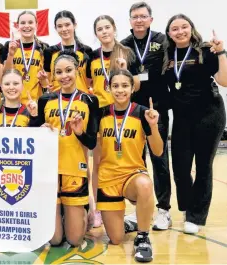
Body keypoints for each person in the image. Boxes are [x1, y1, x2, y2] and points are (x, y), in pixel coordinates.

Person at [163, 14, 227, 234]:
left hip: (209, 114)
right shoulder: (167, 55)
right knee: (180, 168)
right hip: (181, 118)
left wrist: (221, 52)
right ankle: (189, 207)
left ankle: (196, 217)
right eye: (174, 29)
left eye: (184, 27)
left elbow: (224, 80)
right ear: (169, 33)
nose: (180, 31)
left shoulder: (205, 49)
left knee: (203, 167)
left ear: (191, 28)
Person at [31, 51, 99, 247]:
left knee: (75, 240)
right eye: (59, 72)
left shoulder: (89, 101)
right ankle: (61, 213)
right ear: (54, 75)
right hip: (49, 170)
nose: (64, 76)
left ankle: (83, 209)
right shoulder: (46, 99)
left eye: (68, 70)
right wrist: (40, 128)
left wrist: (79, 132)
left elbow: (92, 143)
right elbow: (33, 135)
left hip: (74, 169)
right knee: (54, 240)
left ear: (77, 71)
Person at [97, 68, 162, 263]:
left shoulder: (142, 113)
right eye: (115, 86)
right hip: (107, 178)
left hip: (132, 175)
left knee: (145, 185)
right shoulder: (100, 114)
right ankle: (130, 221)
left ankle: (142, 237)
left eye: (125, 85)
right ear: (109, 88)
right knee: (116, 239)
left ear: (132, 88)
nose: (120, 90)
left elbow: (158, 151)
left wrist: (153, 126)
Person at [120, 1, 172, 231]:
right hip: (133, 112)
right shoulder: (124, 45)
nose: (139, 20)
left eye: (143, 16)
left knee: (159, 158)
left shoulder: (163, 41)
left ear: (150, 19)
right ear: (130, 21)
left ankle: (164, 210)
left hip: (156, 109)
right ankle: (139, 208)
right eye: (135, 17)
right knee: (136, 161)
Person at [86, 15, 139, 228]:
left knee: (127, 161)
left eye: (107, 27)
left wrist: (125, 68)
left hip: (124, 114)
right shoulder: (92, 56)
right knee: (99, 162)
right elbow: (89, 82)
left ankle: (134, 207)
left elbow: (137, 84)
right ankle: (99, 207)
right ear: (96, 33)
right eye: (100, 29)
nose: (104, 32)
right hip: (101, 114)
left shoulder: (127, 52)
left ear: (114, 28)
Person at [2, 11, 48, 104]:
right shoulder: (9, 45)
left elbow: (46, 85)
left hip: (35, 102)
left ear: (36, 25)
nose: (27, 26)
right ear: (17, 26)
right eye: (22, 23)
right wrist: (11, 55)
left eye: (30, 22)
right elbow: (4, 75)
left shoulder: (44, 47)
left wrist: (43, 79)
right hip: (13, 102)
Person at [41, 10, 92, 93]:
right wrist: (45, 83)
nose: (64, 29)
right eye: (60, 26)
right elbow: (47, 82)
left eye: (67, 25)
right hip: (57, 100)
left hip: (81, 100)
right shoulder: (49, 52)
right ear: (55, 28)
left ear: (74, 25)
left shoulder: (86, 51)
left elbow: (90, 81)